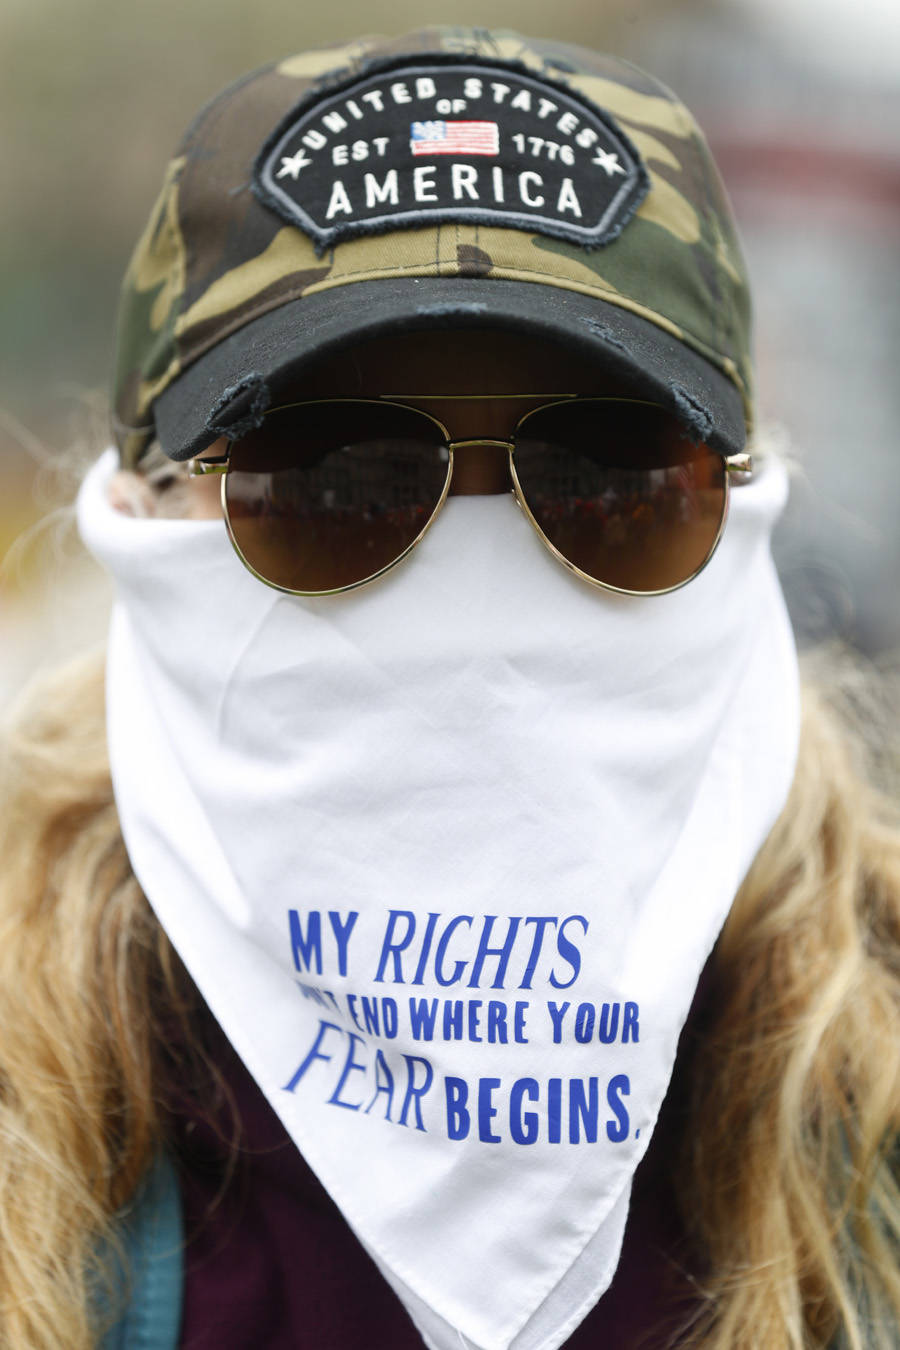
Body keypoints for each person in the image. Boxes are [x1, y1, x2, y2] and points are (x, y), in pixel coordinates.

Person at [1, 26, 898, 1350]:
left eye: (613, 482)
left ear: (743, 513)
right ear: (140, 512)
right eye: (327, 479)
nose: (476, 593)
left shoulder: (867, 1153)